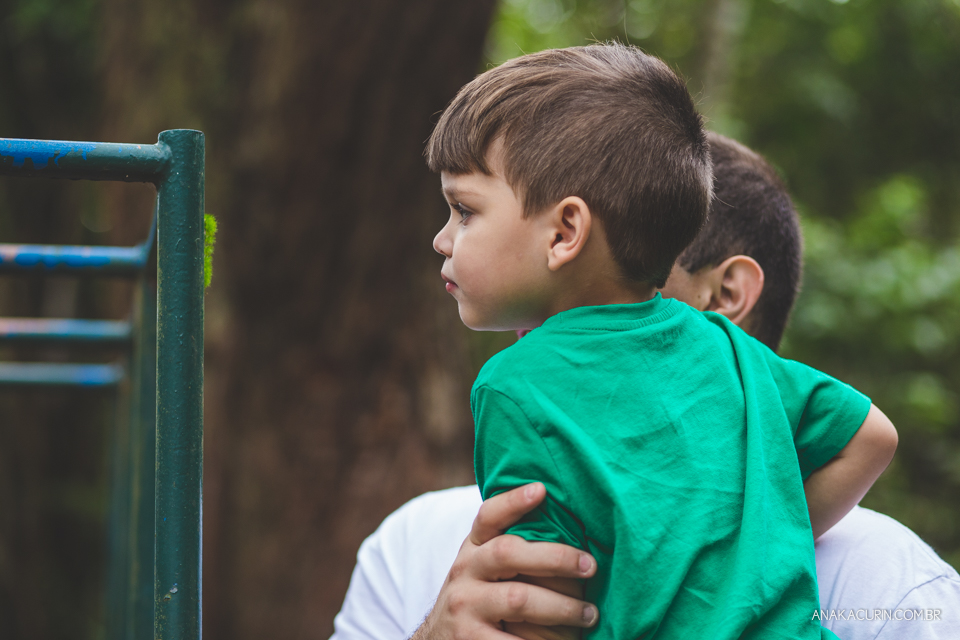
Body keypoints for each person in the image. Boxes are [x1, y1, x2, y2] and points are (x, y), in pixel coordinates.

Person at [330, 129, 959, 640]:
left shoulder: (889, 585)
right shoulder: (414, 543)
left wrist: (769, 530)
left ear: (724, 297)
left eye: (636, 286)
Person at [415, 43, 897, 640]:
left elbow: (539, 613)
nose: (443, 239)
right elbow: (873, 436)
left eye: (463, 210)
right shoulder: (729, 348)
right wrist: (758, 552)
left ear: (565, 232)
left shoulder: (518, 387)